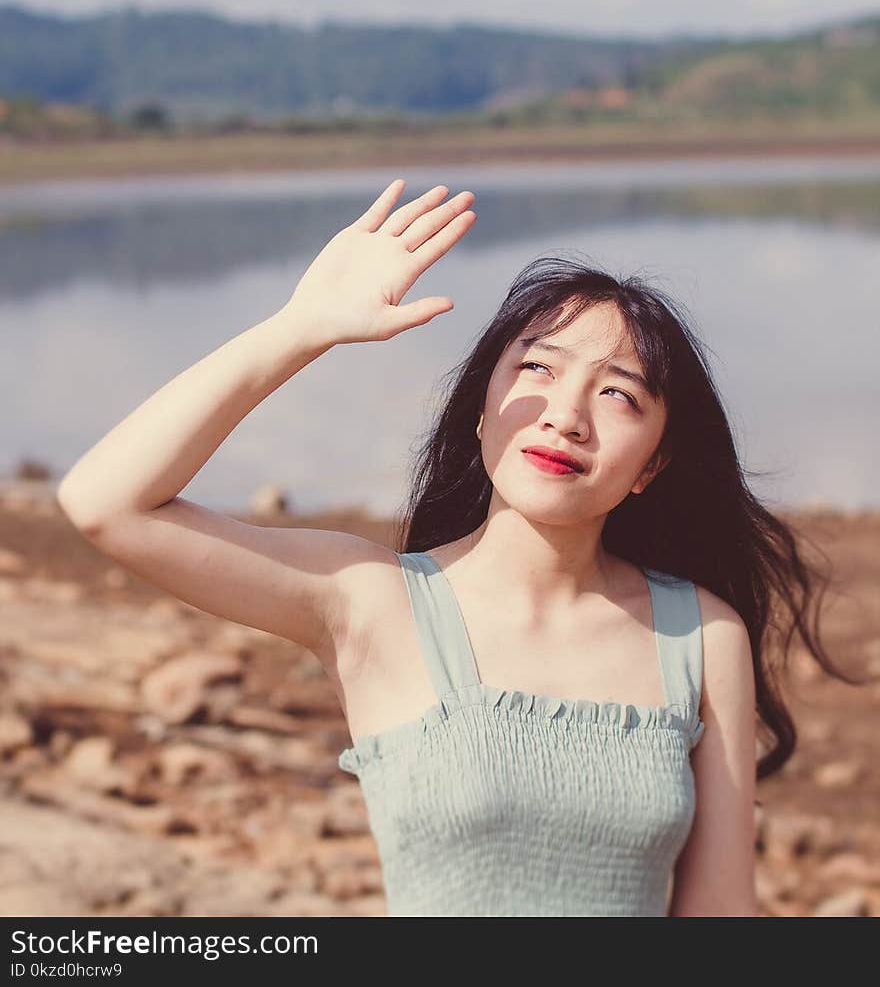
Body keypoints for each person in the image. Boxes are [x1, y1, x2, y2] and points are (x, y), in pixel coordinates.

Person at [56, 177, 845, 917]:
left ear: (654, 464)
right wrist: (302, 329)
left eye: (617, 393)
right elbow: (106, 504)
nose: (565, 415)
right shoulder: (372, 601)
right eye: (538, 367)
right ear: (480, 412)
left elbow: (720, 917)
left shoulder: (701, 636)